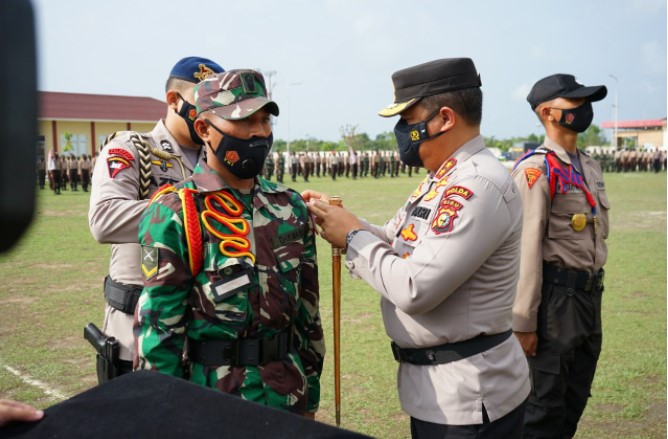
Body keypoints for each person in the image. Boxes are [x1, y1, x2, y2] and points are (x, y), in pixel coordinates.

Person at [304, 58, 529, 438]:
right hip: (442, 388)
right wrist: (343, 222)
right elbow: (396, 242)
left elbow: (416, 286)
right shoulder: (442, 178)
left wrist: (352, 237)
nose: (400, 131)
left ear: (443, 118)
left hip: (469, 397)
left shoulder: (476, 186)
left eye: (408, 119)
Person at [134, 69, 325, 418]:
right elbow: (159, 330)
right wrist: (162, 416)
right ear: (205, 129)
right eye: (244, 120)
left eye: (265, 120)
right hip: (214, 402)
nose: (259, 132)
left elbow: (307, 315)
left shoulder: (290, 205)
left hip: (288, 397)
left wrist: (310, 395)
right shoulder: (177, 210)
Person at [87, 56, 224, 383]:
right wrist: (186, 210)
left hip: (203, 335)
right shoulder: (133, 148)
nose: (212, 113)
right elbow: (104, 219)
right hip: (136, 334)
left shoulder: (219, 159)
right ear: (173, 101)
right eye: (203, 102)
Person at [511, 74, 610, 438]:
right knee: (544, 409)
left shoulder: (588, 165)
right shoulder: (536, 169)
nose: (584, 109)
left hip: (588, 297)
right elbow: (526, 248)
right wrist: (523, 322)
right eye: (575, 103)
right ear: (548, 113)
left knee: (575, 398)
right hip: (554, 303)